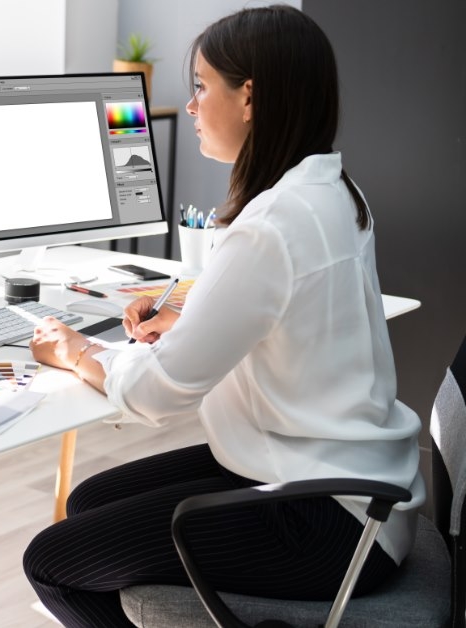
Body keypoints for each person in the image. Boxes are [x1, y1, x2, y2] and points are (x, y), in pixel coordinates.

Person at [22, 5, 425, 626]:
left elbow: (158, 393)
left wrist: (77, 351)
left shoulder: (273, 225)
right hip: (348, 482)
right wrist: (192, 322)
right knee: (89, 500)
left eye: (202, 86)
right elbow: (295, 323)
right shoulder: (329, 192)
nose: (190, 105)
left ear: (250, 98)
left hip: (329, 521)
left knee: (51, 560)